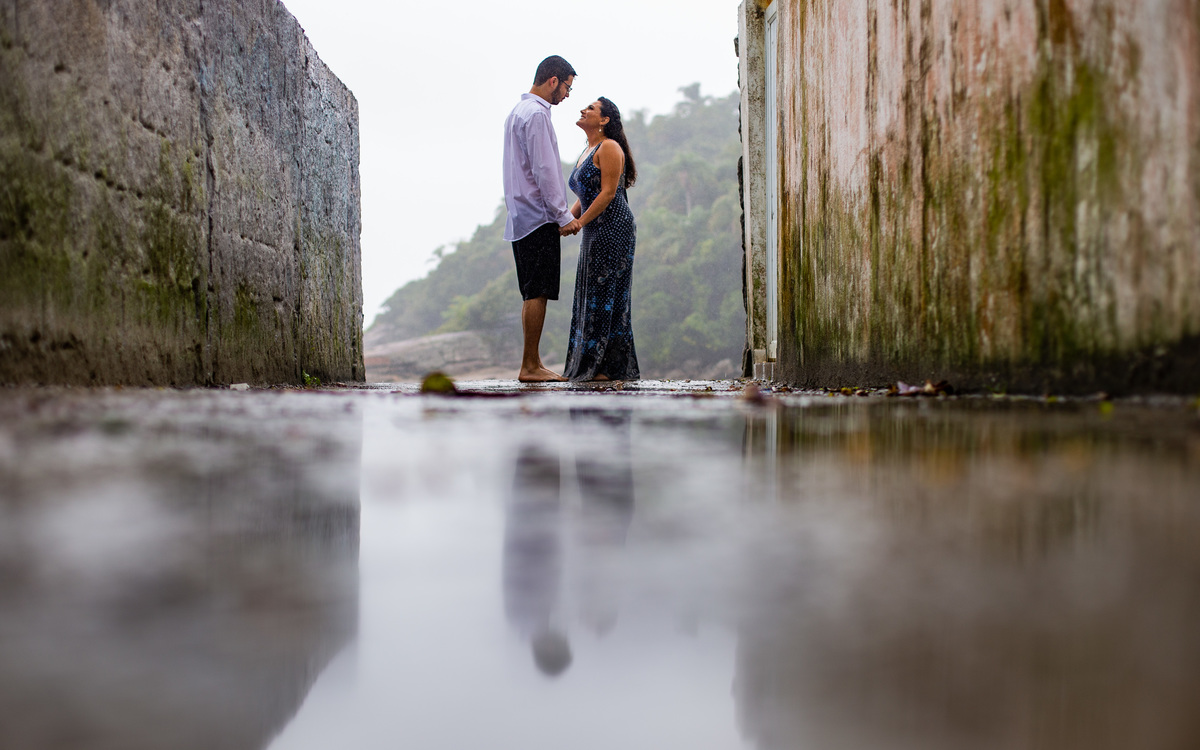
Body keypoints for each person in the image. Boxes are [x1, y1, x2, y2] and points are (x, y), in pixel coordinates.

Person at [502, 55, 582, 383]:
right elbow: (545, 169)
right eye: (567, 87)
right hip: (537, 216)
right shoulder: (536, 114)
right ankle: (530, 366)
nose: (566, 95)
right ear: (553, 80)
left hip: (521, 215)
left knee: (532, 290)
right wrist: (562, 215)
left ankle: (531, 362)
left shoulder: (518, 112)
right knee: (538, 291)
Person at [563, 97, 640, 382]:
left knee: (607, 294)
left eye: (591, 108)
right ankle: (590, 365)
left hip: (614, 227)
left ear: (604, 120)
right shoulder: (588, 149)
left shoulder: (609, 147)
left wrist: (580, 222)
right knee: (591, 293)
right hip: (595, 228)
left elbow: (607, 193)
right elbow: (583, 196)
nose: (583, 110)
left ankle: (609, 368)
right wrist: (565, 220)